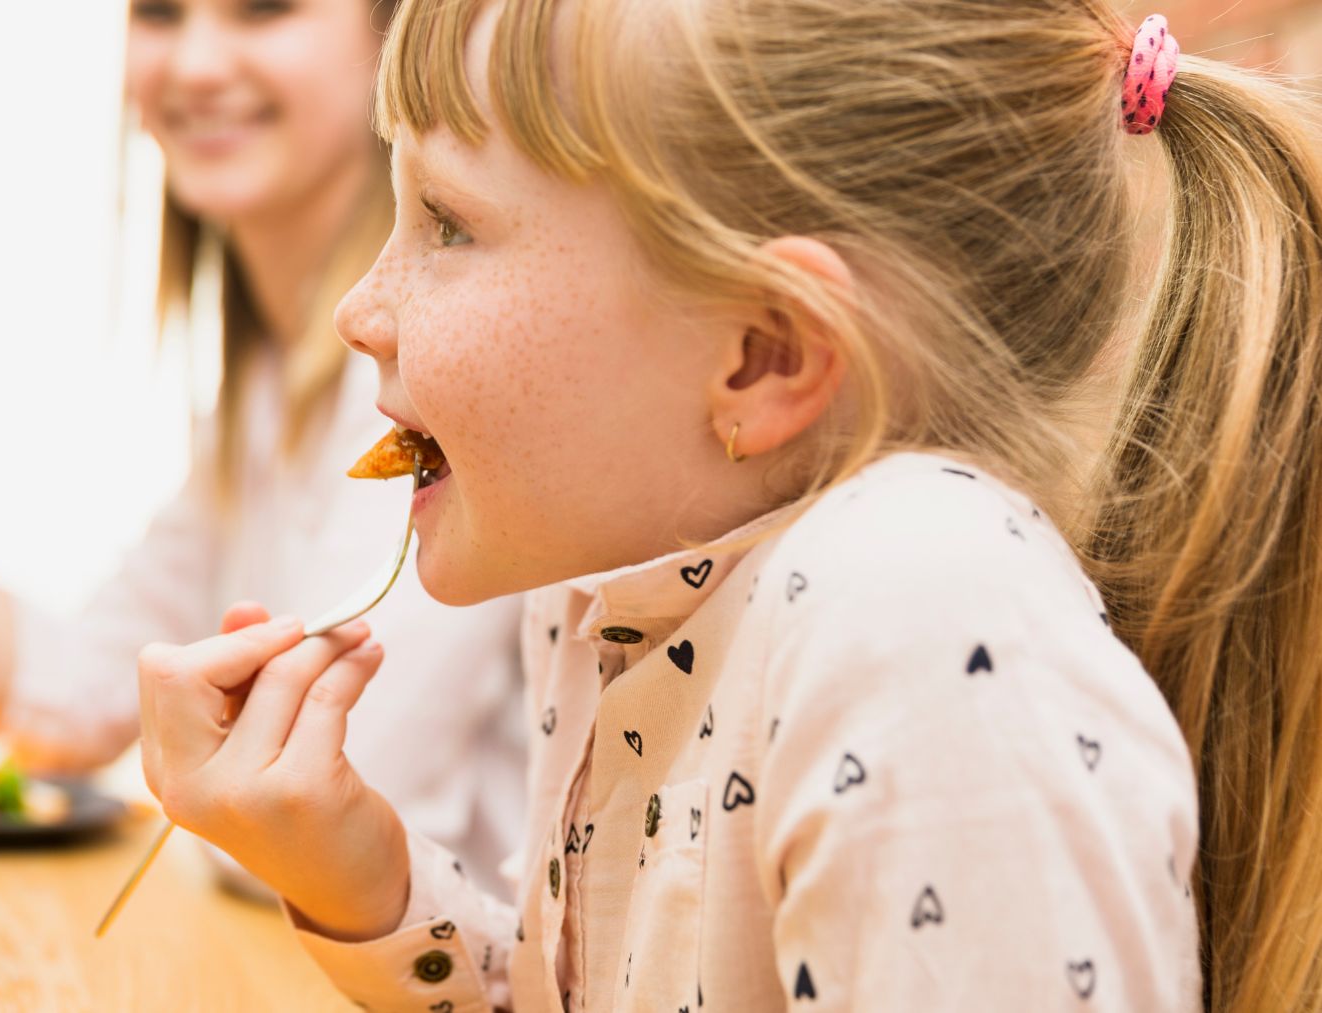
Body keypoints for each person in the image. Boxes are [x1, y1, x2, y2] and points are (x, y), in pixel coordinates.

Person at [136, 2, 1322, 1009]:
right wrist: (364, 878)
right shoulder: (619, 580)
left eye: (447, 222)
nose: (360, 308)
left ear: (764, 352)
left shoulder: (919, 620)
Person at [0, 0, 525, 890]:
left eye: (262, 10)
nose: (194, 64)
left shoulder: (429, 385)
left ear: (391, 37)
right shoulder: (261, 392)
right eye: (158, 13)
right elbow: (76, 698)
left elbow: (304, 823)